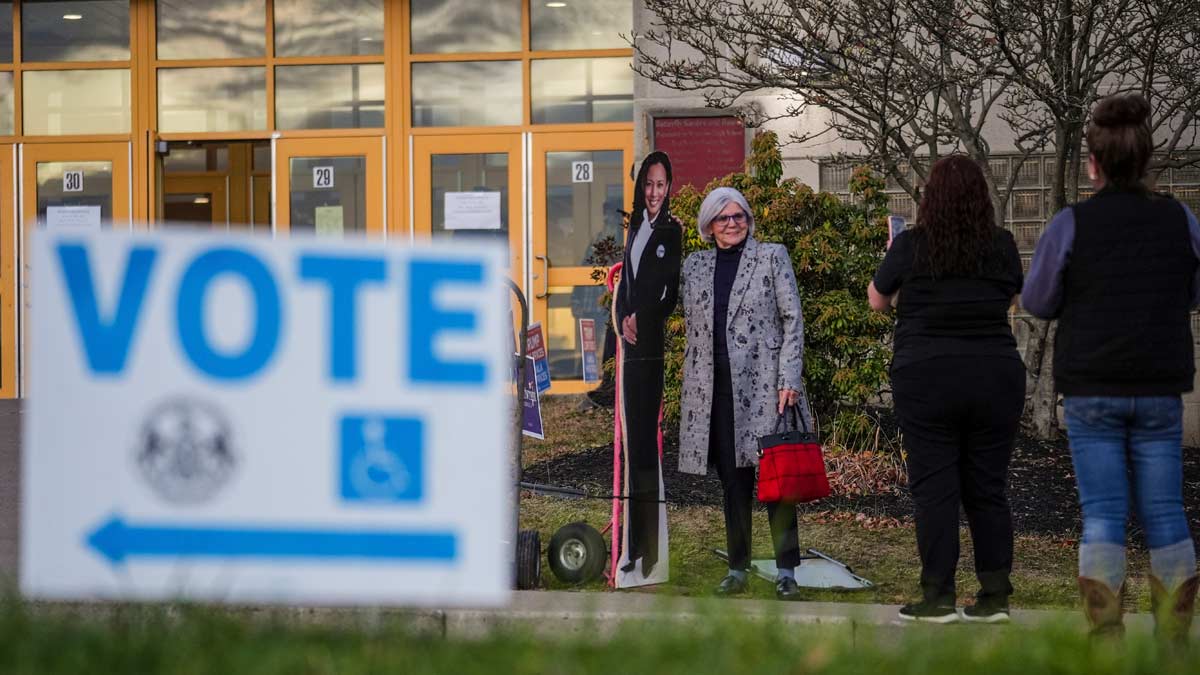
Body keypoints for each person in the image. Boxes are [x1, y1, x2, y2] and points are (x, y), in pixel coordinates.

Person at [1023, 94, 1200, 641]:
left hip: (1091, 386)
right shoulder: (1180, 218)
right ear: (1147, 159)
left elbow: (1037, 299)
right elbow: (1193, 290)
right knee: (1166, 512)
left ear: (1092, 163)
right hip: (1159, 385)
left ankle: (1105, 638)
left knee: (1102, 514)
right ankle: (1173, 640)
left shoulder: (1071, 223)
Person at [868, 155, 1025, 623]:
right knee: (987, 489)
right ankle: (994, 597)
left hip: (927, 376)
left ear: (928, 198)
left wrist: (905, 287)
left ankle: (937, 597)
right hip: (995, 375)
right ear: (982, 198)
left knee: (935, 489)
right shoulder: (1001, 245)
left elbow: (877, 300)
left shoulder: (911, 244)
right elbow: (1014, 298)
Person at [676, 186, 808, 601]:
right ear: (709, 225)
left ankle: (786, 570)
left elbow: (793, 319)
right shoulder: (694, 265)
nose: (732, 224)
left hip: (766, 388)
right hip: (714, 390)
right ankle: (737, 567)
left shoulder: (771, 256)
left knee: (777, 483)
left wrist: (789, 378)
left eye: (739, 217)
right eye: (723, 218)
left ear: (749, 221)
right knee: (733, 483)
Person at [613, 151, 683, 580]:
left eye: (661, 184)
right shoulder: (636, 227)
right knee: (634, 445)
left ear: (669, 187)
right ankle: (635, 546)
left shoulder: (671, 232)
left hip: (650, 348)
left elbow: (668, 294)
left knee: (645, 449)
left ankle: (651, 551)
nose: (654, 192)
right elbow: (627, 285)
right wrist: (623, 317)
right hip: (630, 347)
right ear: (640, 187)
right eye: (648, 184)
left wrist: (642, 320)